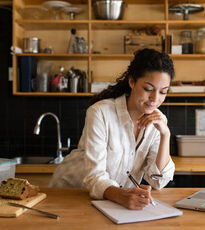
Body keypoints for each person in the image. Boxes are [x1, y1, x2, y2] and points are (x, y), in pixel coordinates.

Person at [49, 48, 175, 210]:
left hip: (112, 201)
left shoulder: (159, 121)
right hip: (69, 194)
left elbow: (158, 181)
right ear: (131, 82)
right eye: (148, 89)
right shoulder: (100, 113)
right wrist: (123, 195)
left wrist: (165, 134)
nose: (155, 99)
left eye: (163, 92)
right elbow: (95, 176)